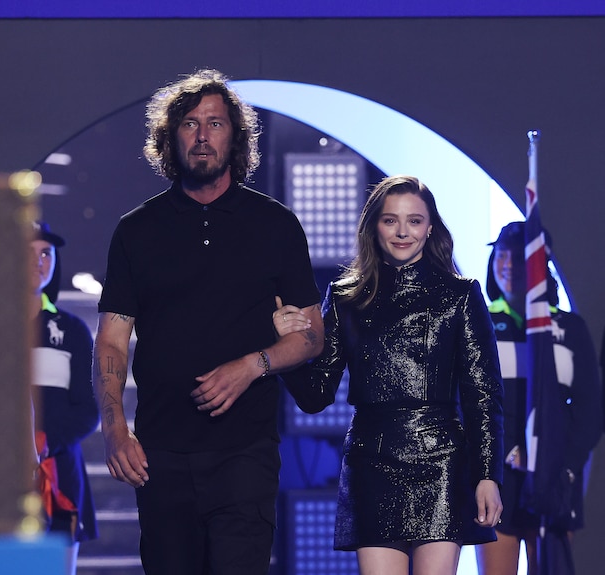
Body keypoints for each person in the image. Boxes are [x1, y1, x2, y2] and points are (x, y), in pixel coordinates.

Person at [91, 69, 324, 575]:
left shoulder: (275, 225)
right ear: (170, 138)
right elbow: (111, 340)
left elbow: (312, 336)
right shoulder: (137, 231)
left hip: (245, 452)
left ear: (234, 137)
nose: (202, 136)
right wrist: (114, 431)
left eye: (215, 123)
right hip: (162, 453)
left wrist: (252, 365)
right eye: (191, 124)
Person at [275, 175, 504, 575]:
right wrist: (286, 349)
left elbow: (483, 395)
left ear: (430, 227)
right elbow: (316, 396)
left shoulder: (461, 295)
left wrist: (487, 476)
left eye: (414, 221)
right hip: (372, 461)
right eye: (390, 220)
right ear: (373, 226)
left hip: (442, 459)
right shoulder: (347, 297)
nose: (402, 232)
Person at [474, 221, 603, 575]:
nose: (508, 266)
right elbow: (469, 405)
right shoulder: (478, 324)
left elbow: (590, 414)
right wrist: (495, 462)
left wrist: (558, 463)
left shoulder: (569, 329)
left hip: (552, 480)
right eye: (501, 256)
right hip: (497, 481)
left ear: (541, 264)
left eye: (520, 258)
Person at [29, 221, 99, 574]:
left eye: (46, 253)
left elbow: (89, 410)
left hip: (58, 476)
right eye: (27, 252)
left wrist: (43, 442)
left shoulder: (70, 330)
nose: (38, 261)